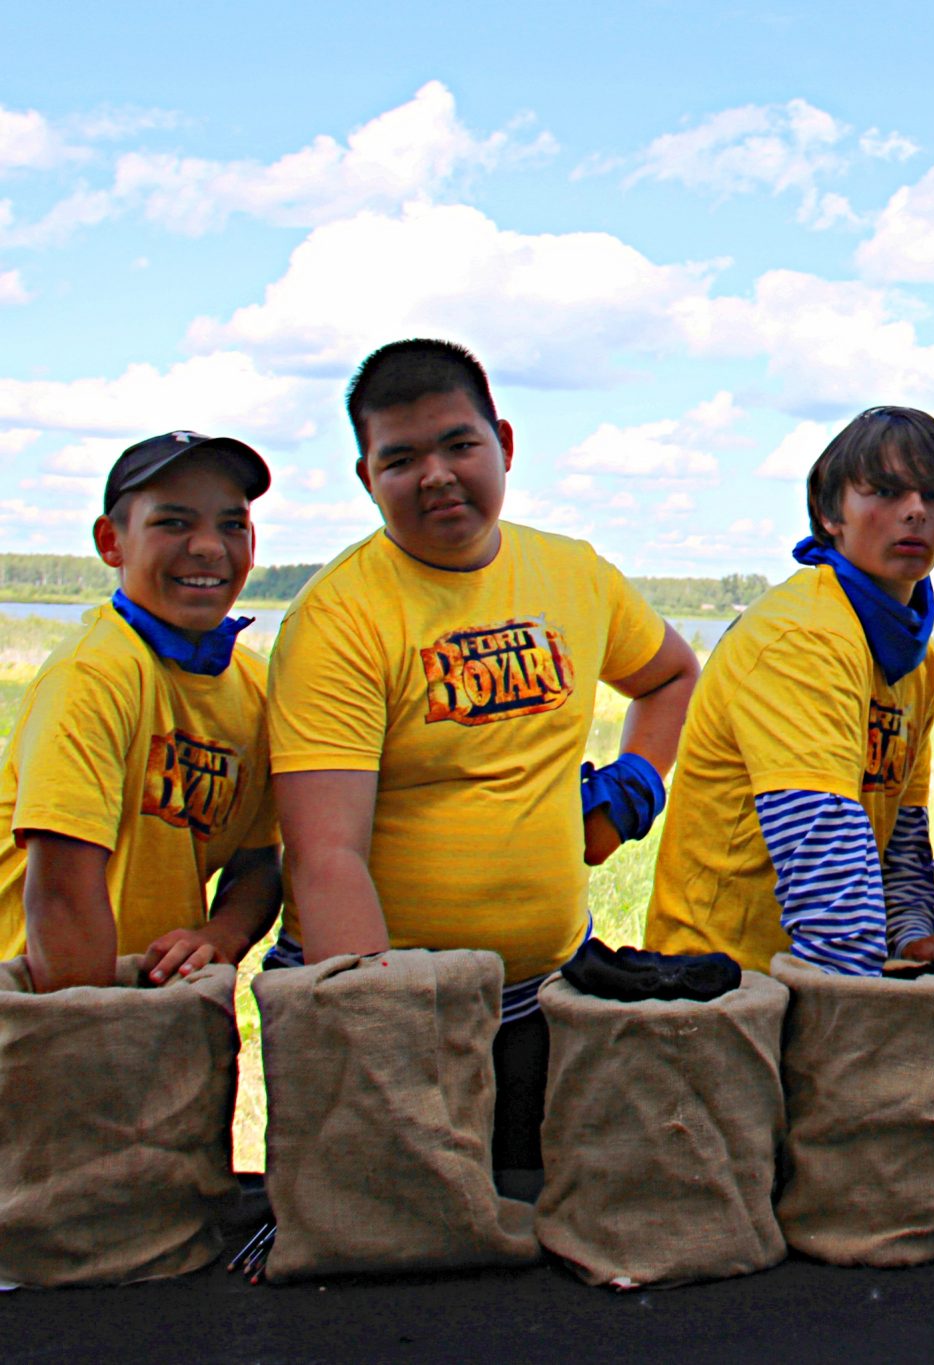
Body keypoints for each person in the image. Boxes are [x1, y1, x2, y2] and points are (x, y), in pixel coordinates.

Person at [267, 339, 698, 1170]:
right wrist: (387, 1041)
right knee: (394, 1251)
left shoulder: (574, 574)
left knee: (533, 1237)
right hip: (389, 1001)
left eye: (458, 445)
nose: (435, 475)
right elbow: (325, 860)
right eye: (401, 458)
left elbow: (673, 674)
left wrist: (630, 789)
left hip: (546, 996)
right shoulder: (339, 618)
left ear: (503, 442)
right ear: (366, 478)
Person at [642, 407, 934, 975]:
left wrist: (912, 933)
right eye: (887, 491)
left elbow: (898, 842)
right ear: (829, 513)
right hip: (720, 981)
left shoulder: (917, 662)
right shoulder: (803, 636)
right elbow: (824, 863)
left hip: (803, 977)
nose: (916, 511)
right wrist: (858, 1016)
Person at [0, 432, 281, 992]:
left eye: (231, 525)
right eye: (173, 523)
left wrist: (222, 935)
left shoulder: (253, 688)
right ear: (112, 542)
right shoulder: (95, 675)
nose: (207, 547)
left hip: (153, 1005)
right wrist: (95, 1036)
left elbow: (259, 861)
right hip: (44, 1004)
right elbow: (60, 893)